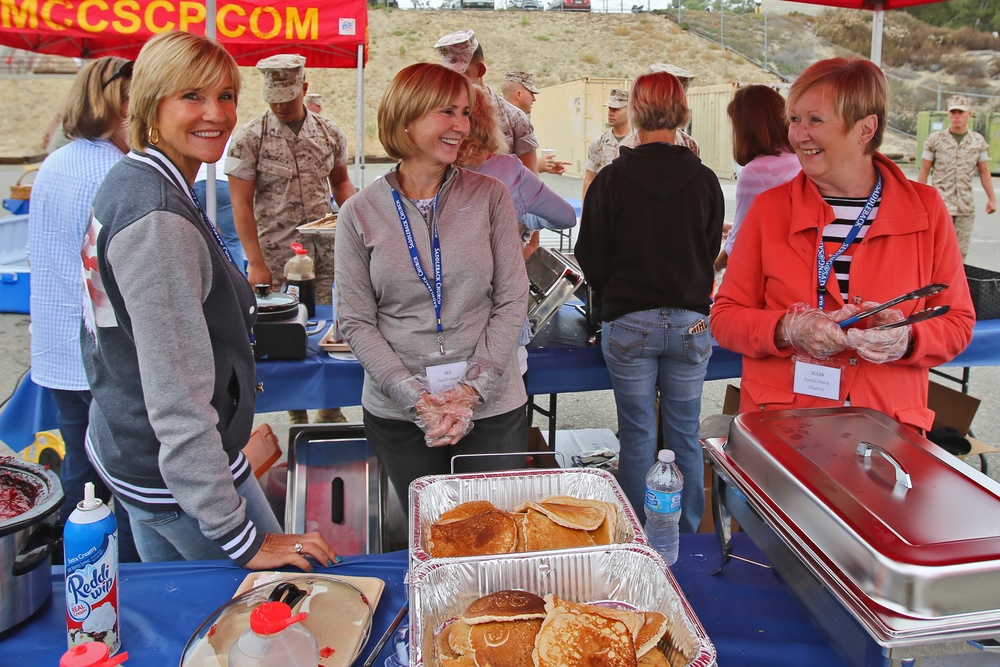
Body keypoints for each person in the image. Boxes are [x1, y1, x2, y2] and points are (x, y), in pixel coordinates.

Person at [81, 30, 338, 571]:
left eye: (225, 96)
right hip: (178, 476)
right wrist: (238, 537)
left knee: (185, 612)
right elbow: (177, 397)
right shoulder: (159, 220)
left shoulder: (136, 179)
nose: (215, 113)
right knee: (278, 603)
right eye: (191, 96)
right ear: (151, 103)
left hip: (143, 454)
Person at [711, 57, 975, 435]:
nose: (798, 134)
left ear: (866, 128)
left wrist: (908, 339)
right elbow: (725, 318)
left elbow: (958, 323)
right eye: (794, 119)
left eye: (815, 120)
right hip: (783, 426)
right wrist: (786, 328)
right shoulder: (770, 209)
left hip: (886, 431)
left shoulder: (926, 210)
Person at [334, 63, 530, 512]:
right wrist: (414, 397)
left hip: (491, 405)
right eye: (447, 112)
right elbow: (356, 321)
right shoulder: (359, 213)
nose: (461, 126)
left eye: (465, 113)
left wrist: (472, 390)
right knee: (432, 528)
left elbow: (512, 298)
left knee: (495, 526)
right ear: (406, 118)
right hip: (400, 412)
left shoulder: (490, 196)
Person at [574, 71, 724, 533]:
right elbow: (709, 251)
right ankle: (687, 534)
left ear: (636, 113)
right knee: (685, 433)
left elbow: (589, 256)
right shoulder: (704, 180)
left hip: (629, 321)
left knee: (638, 435)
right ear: (683, 113)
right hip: (691, 323)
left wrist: (613, 291)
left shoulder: (611, 180)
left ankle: (637, 536)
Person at [28, 56, 139, 563]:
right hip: (98, 352)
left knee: (80, 468)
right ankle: (121, 573)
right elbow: (116, 278)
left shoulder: (56, 162)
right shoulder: (111, 171)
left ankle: (69, 564)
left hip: (57, 344)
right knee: (124, 477)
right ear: (115, 103)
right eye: (135, 97)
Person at [227, 53, 356, 424]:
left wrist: (360, 225)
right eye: (274, 100)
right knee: (285, 335)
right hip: (276, 253)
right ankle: (296, 412)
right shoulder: (249, 138)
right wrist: (254, 262)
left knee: (331, 327)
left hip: (326, 251)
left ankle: (330, 407)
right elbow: (240, 205)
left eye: (287, 98)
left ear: (304, 88)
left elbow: (342, 184)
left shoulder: (328, 132)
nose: (281, 106)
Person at [457, 84, 577, 380]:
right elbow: (565, 216)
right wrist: (524, 218)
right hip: (501, 319)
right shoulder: (509, 171)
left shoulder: (431, 171)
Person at [714, 85, 801, 271]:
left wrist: (712, 268)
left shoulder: (758, 171)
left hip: (770, 271)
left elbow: (739, 243)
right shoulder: (798, 160)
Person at [435, 29, 540, 173]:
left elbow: (530, 179)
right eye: (449, 76)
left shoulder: (515, 119)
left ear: (481, 70)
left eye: (463, 74)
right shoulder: (435, 115)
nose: (455, 83)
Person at [917, 94, 996, 259]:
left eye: (961, 112)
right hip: (941, 204)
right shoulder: (935, 140)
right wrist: (918, 200)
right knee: (936, 251)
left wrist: (992, 199)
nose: (956, 116)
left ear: (969, 114)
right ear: (949, 114)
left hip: (965, 207)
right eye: (953, 112)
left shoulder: (978, 142)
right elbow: (924, 170)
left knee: (960, 253)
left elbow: (984, 172)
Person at [193, 137, 246, 271]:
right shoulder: (231, 137)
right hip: (223, 182)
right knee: (232, 240)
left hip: (198, 182)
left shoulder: (197, 136)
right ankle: (237, 278)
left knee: (199, 238)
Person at [502, 70, 567, 176]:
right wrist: (536, 166)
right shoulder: (519, 119)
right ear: (519, 94)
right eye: (531, 93)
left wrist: (540, 167)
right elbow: (508, 174)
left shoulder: (491, 116)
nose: (534, 99)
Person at [582, 88, 631, 199]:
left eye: (616, 109)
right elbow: (589, 179)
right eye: (609, 109)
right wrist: (586, 206)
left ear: (629, 110)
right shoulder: (599, 142)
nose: (610, 113)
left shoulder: (639, 141)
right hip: (604, 202)